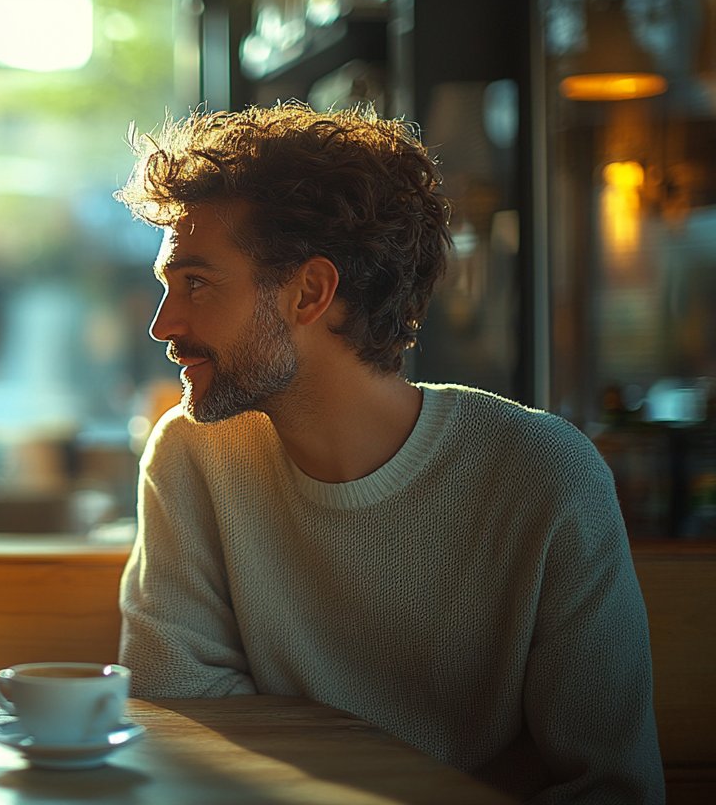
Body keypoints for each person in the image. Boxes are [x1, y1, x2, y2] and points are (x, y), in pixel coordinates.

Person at [115, 102, 663, 802]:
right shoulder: (193, 454)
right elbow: (180, 710)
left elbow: (611, 785)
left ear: (310, 292)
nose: (164, 324)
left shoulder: (545, 474)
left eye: (196, 283)